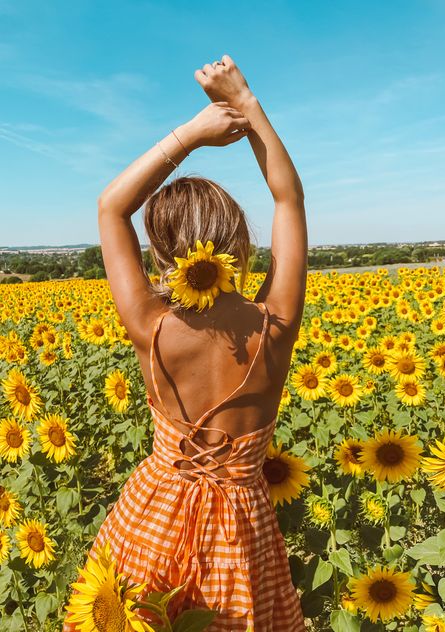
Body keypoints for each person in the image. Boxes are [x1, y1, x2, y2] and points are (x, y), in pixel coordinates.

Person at [63, 54, 307, 631]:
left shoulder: (151, 326)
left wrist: (192, 135)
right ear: (239, 244)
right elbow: (289, 200)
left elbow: (110, 206)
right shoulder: (275, 324)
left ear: (162, 253)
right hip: (240, 534)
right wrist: (247, 102)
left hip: (151, 512)